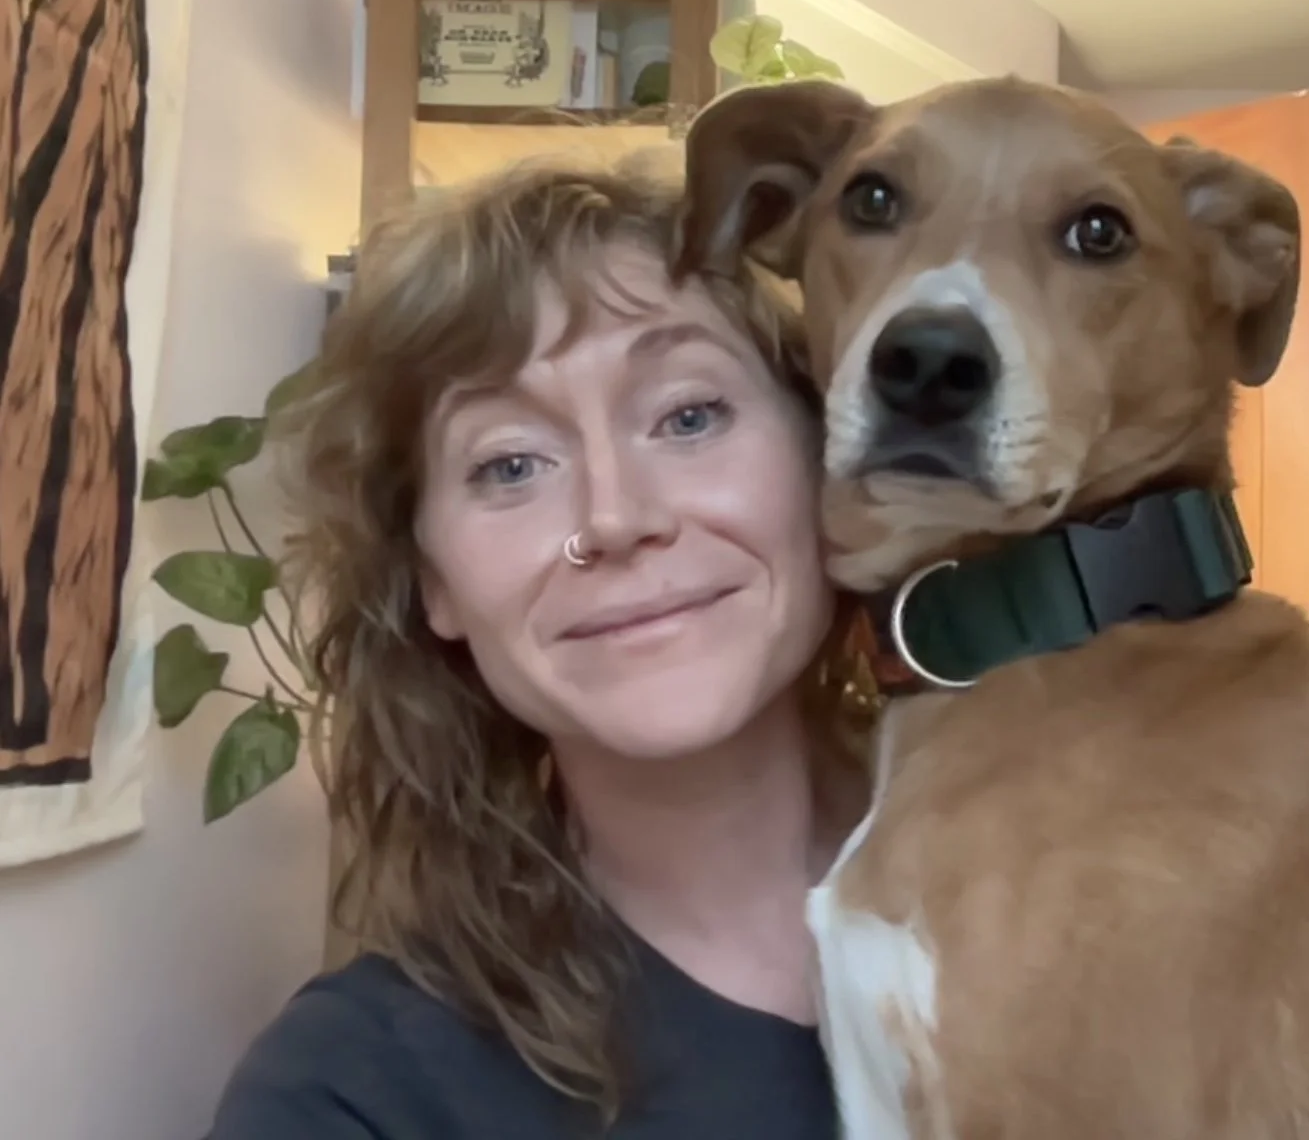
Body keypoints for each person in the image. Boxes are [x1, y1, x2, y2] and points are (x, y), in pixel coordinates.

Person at [205, 157, 869, 1138]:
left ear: (825, 457)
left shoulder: (1082, 883)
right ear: (433, 580)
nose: (615, 517)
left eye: (688, 416)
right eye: (511, 465)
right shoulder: (355, 1088)